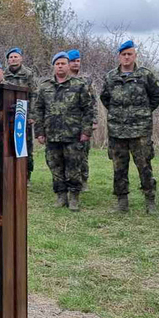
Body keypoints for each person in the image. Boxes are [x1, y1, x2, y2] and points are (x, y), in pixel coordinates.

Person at [99, 40, 159, 213]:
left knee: (144, 166)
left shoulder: (145, 75)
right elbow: (105, 98)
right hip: (117, 131)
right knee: (119, 167)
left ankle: (150, 200)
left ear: (135, 56)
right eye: (123, 54)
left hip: (140, 130)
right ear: (119, 57)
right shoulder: (111, 77)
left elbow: (157, 96)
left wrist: (143, 112)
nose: (126, 57)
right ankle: (122, 201)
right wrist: (118, 114)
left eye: (130, 54)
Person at [33, 52, 96, 211]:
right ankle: (61, 195)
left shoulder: (79, 85)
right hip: (52, 134)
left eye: (63, 63)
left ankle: (74, 196)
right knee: (55, 166)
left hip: (73, 134)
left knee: (74, 166)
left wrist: (86, 131)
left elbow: (88, 109)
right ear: (53, 66)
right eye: (57, 64)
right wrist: (39, 132)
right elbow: (38, 110)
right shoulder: (45, 86)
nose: (60, 66)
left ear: (68, 66)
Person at [4, 47, 37, 180]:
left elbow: (34, 94)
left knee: (25, 145)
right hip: (7, 115)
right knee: (7, 144)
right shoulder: (3, 73)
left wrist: (32, 115)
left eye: (16, 56)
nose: (13, 59)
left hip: (23, 114)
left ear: (21, 58)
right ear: (7, 60)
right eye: (11, 57)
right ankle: (9, 172)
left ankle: (26, 174)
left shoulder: (28, 74)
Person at [67, 48, 99, 186]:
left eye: (78, 61)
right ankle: (68, 180)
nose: (75, 64)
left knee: (83, 153)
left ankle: (84, 179)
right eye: (72, 61)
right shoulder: (63, 79)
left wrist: (94, 120)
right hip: (66, 122)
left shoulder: (86, 80)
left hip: (83, 121)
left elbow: (93, 101)